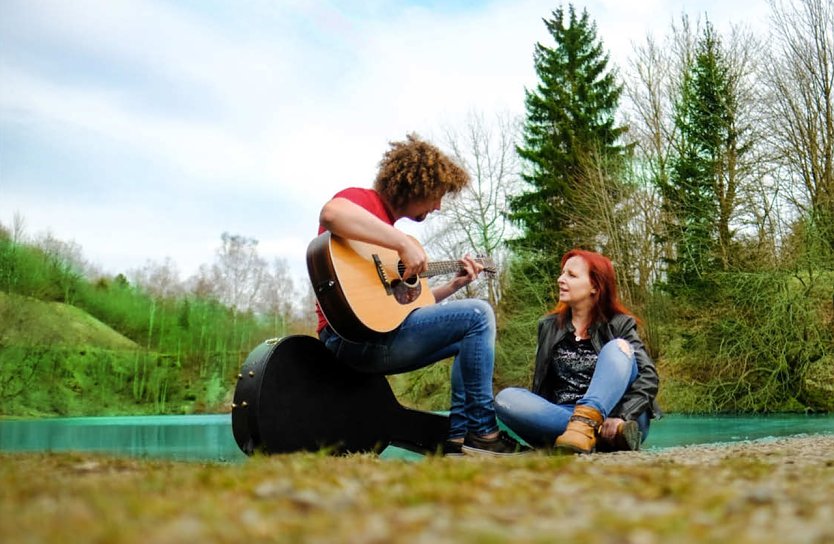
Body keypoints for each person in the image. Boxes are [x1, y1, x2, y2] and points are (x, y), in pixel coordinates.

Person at [314, 133, 528, 457]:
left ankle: (459, 438)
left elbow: (402, 309)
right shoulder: (363, 204)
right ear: (418, 185)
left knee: (467, 334)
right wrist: (401, 242)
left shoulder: (390, 239)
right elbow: (331, 214)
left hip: (378, 335)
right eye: (437, 196)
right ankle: (484, 432)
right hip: (349, 340)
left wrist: (453, 287)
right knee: (478, 314)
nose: (438, 206)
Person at [494, 249, 661, 454]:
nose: (560, 279)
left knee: (618, 348)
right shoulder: (548, 326)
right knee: (505, 398)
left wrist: (624, 415)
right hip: (563, 414)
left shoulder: (620, 324)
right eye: (563, 273)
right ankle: (589, 436)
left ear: (595, 286)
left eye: (571, 275)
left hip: (616, 417)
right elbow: (543, 386)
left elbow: (648, 376)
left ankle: (586, 429)